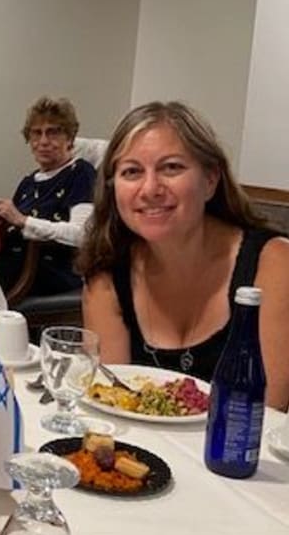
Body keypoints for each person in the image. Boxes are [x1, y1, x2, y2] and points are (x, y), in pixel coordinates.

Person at [78, 101, 289, 410]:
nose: (150, 189)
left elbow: (262, 416)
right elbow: (109, 407)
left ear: (211, 179)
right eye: (132, 171)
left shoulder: (273, 265)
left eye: (171, 167)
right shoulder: (106, 274)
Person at [0, 96, 96, 295]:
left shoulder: (81, 173)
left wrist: (24, 221)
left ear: (70, 138)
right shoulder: (28, 182)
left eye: (53, 132)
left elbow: (82, 235)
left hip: (52, 271)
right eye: (36, 133)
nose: (43, 141)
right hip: (16, 266)